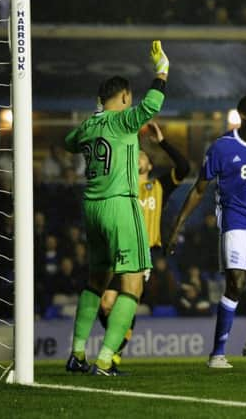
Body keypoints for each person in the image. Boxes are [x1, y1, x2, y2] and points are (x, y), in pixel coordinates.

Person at [63, 41, 170, 376]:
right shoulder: (123, 121)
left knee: (96, 281)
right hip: (120, 207)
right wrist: (162, 70)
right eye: (130, 98)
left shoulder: (87, 126)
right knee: (132, 285)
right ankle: (106, 359)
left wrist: (95, 115)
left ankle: (76, 353)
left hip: (91, 209)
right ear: (124, 97)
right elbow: (153, 103)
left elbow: (69, 143)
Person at [166, 95, 246, 369]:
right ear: (244, 116)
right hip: (234, 225)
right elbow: (199, 189)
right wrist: (177, 227)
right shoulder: (221, 147)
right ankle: (218, 353)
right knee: (237, 283)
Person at [97, 120, 189, 371]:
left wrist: (162, 143)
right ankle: (115, 348)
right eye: (134, 155)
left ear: (149, 164)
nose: (139, 157)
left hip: (142, 254)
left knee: (127, 301)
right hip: (117, 252)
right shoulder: (121, 185)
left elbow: (184, 167)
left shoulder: (158, 186)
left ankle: (111, 356)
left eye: (143, 155)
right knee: (105, 304)